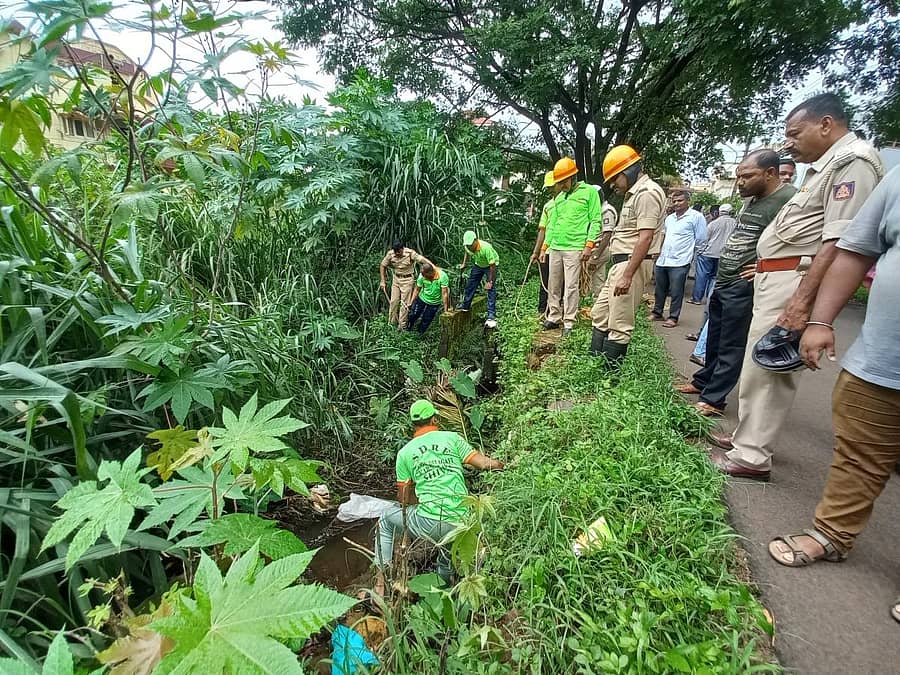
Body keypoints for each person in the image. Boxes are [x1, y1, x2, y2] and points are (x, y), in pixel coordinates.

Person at [708, 93, 884, 480]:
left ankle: (752, 456)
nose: (788, 143)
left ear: (826, 124)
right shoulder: (823, 168)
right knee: (757, 366)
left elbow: (839, 242)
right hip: (777, 276)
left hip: (795, 282)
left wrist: (803, 303)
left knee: (769, 369)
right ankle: (746, 438)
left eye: (795, 133)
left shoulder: (853, 162)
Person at [766, 166, 900, 624]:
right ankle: (833, 534)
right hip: (883, 357)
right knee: (858, 453)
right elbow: (855, 251)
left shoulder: (856, 163)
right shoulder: (896, 180)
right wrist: (819, 321)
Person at [676, 150, 797, 415]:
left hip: (743, 285)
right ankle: (703, 382)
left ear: (770, 173)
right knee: (714, 338)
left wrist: (765, 267)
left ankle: (714, 399)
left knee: (731, 344)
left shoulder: (788, 200)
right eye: (738, 176)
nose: (740, 182)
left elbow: (796, 242)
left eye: (747, 176)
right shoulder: (752, 199)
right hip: (724, 279)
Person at [374, 399, 504, 595]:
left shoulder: (404, 453)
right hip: (462, 521)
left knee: (385, 520)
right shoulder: (452, 438)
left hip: (430, 523)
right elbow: (485, 464)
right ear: (434, 419)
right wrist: (504, 465)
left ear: (413, 424)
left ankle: (380, 585)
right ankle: (446, 594)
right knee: (446, 554)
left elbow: (404, 500)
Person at [590, 145, 666, 367]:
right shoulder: (633, 194)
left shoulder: (646, 194)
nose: (613, 185)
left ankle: (608, 376)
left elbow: (645, 238)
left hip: (630, 264)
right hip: (620, 264)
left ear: (628, 171)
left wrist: (627, 275)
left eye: (615, 178)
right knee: (600, 314)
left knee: (619, 324)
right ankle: (593, 367)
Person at [540, 157, 603, 336]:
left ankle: (569, 321)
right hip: (555, 247)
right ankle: (554, 316)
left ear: (573, 177)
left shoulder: (589, 192)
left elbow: (596, 220)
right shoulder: (559, 198)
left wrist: (589, 245)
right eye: (559, 182)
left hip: (575, 247)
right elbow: (552, 224)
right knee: (553, 284)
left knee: (571, 286)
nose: (562, 185)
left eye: (564, 181)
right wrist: (545, 247)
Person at [651, 189, 706, 327]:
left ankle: (673, 317)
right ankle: (657, 313)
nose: (676, 203)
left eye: (680, 200)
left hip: (681, 261)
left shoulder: (696, 217)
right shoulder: (670, 218)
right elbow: (664, 235)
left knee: (676, 291)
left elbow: (701, 239)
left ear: (688, 201)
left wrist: (690, 255)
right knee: (660, 289)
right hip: (663, 259)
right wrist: (658, 251)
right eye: (674, 201)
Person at [688, 203, 737, 304]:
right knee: (714, 277)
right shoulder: (735, 224)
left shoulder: (714, 223)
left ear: (719, 212)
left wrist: (700, 251)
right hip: (723, 255)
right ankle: (710, 299)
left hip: (708, 253)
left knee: (701, 276)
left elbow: (705, 239)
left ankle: (696, 298)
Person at [531, 171, 564, 316]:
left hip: (564, 248)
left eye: (552, 186)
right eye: (549, 187)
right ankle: (542, 310)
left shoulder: (569, 203)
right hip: (548, 250)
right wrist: (536, 252)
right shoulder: (548, 206)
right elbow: (542, 230)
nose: (551, 189)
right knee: (545, 281)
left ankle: (557, 311)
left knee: (561, 282)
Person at [380, 241, 429, 328]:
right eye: (396, 252)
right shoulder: (390, 254)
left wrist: (433, 266)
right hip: (396, 279)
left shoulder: (410, 253)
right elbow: (383, 265)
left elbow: (422, 260)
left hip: (407, 280)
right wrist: (383, 281)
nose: (397, 254)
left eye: (399, 252)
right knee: (393, 301)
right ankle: (391, 324)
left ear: (402, 249)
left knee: (404, 303)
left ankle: (402, 326)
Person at [457, 230, 500, 328]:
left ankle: (491, 315)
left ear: (476, 240)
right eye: (467, 245)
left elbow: (492, 265)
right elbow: (466, 252)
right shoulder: (467, 246)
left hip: (490, 266)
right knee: (471, 284)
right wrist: (464, 264)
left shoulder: (486, 248)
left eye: (470, 245)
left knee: (491, 288)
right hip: (478, 265)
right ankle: (465, 306)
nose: (469, 247)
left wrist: (490, 281)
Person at [407, 262, 450, 334]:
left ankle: (419, 334)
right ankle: (408, 328)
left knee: (426, 319)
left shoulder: (442, 276)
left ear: (431, 272)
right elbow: (417, 290)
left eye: (426, 276)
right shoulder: (422, 276)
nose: (424, 277)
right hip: (422, 298)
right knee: (414, 314)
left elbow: (444, 294)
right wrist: (411, 302)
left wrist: (446, 310)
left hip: (435, 302)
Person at [587, 198, 618, 295]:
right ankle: (595, 300)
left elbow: (607, 234)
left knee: (584, 278)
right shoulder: (597, 209)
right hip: (596, 249)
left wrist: (595, 256)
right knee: (598, 279)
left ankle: (587, 299)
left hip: (599, 248)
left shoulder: (606, 210)